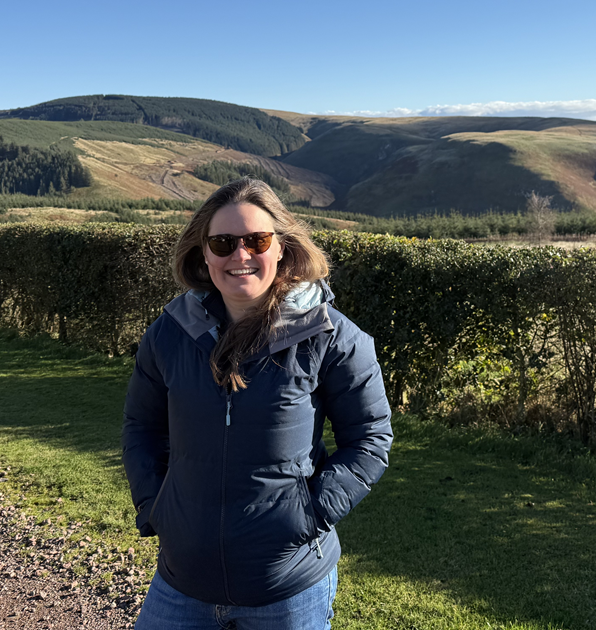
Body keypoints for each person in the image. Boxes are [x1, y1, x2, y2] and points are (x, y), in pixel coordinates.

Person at [122, 178, 393, 629]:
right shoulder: (170, 332)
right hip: (181, 581)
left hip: (286, 587)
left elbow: (369, 439)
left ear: (282, 247)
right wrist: (155, 507)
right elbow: (141, 427)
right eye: (223, 243)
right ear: (203, 252)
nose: (240, 255)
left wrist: (308, 516)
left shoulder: (332, 337)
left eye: (257, 240)